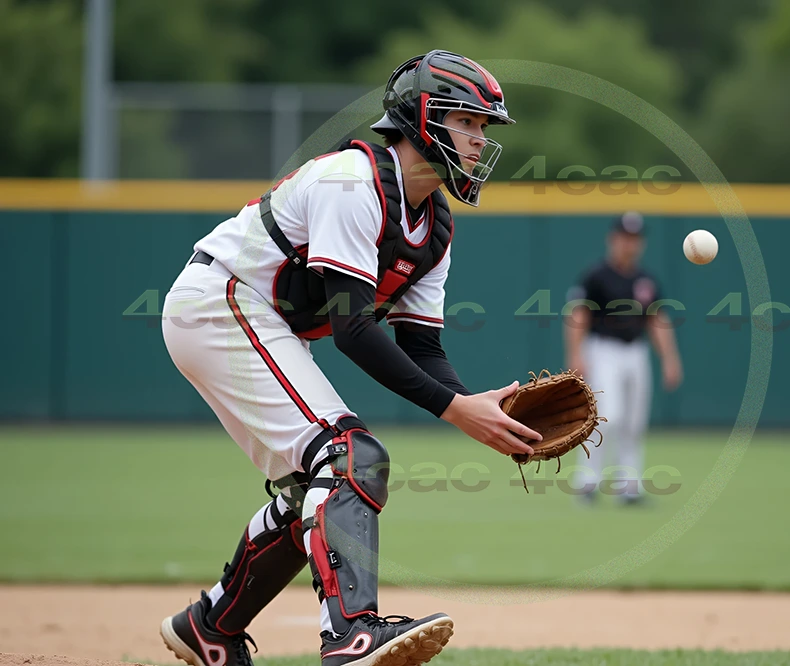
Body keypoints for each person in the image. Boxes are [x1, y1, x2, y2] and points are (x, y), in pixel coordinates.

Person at [157, 50, 541, 666]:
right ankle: (352, 635)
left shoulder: (434, 226)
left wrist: (475, 408)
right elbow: (353, 329)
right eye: (467, 121)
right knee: (349, 459)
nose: (479, 139)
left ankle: (210, 627)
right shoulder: (353, 182)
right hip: (219, 302)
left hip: (252, 317)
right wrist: (454, 410)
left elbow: (421, 346)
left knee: (312, 490)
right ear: (423, 118)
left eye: (483, 126)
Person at [563, 212, 684, 505]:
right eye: (624, 237)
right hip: (603, 350)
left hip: (636, 352)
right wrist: (576, 354)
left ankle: (629, 487)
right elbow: (578, 315)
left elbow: (657, 320)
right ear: (612, 239)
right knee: (607, 417)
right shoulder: (596, 275)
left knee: (634, 421)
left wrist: (670, 358)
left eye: (635, 239)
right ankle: (587, 482)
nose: (629, 244)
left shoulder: (646, 280)